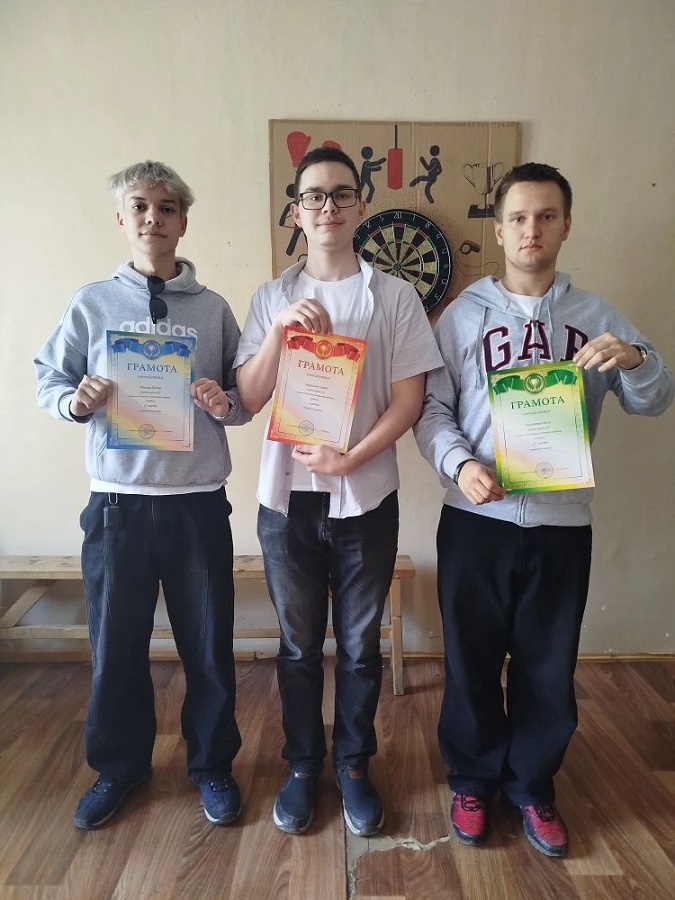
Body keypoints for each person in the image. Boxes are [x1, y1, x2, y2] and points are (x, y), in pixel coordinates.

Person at [414, 162, 673, 858]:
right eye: (519, 218)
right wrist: (459, 465)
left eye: (547, 216)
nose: (532, 229)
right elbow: (432, 411)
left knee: (547, 665)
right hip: (476, 521)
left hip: (562, 527)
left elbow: (654, 399)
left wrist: (636, 358)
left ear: (565, 226)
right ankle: (473, 780)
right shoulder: (463, 315)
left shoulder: (598, 317)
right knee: (469, 660)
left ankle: (532, 785)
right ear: (499, 231)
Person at [34, 160, 252, 830]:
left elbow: (244, 399)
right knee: (116, 646)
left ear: (183, 221)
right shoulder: (91, 303)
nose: (152, 218)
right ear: (121, 219)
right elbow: (48, 378)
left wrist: (223, 402)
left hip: (196, 503)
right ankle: (119, 768)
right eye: (139, 207)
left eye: (166, 208)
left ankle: (211, 765)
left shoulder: (213, 309)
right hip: (117, 506)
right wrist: (76, 401)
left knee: (208, 646)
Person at [234, 147, 442, 837]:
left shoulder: (395, 297)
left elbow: (409, 400)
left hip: (366, 500)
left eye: (341, 194)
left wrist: (351, 457)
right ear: (296, 212)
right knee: (298, 647)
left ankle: (353, 764)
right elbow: (249, 396)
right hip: (286, 501)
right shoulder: (271, 297)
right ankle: (302, 766)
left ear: (360, 206)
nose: (327, 207)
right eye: (313, 196)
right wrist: (279, 332)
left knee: (358, 648)